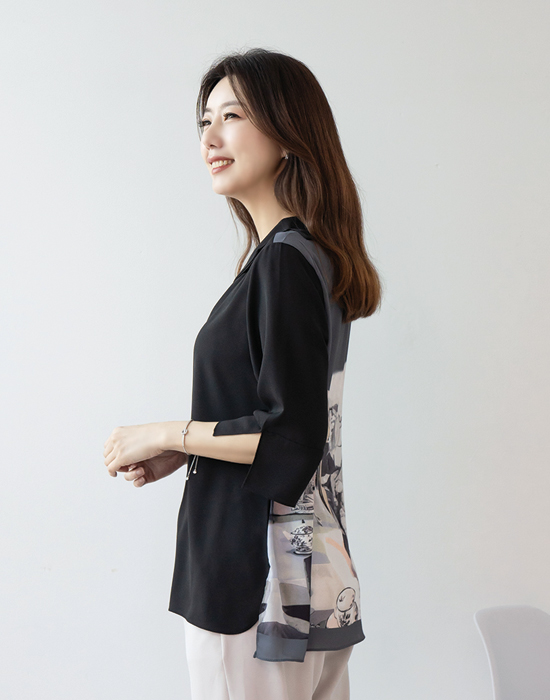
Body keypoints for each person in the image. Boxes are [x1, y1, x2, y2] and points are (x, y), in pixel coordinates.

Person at [103, 48, 382, 700]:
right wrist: (189, 452)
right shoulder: (304, 257)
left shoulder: (282, 263)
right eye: (205, 120)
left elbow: (289, 437)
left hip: (255, 584)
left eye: (232, 116)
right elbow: (288, 417)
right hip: (311, 571)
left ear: (288, 134)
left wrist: (164, 433)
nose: (210, 137)